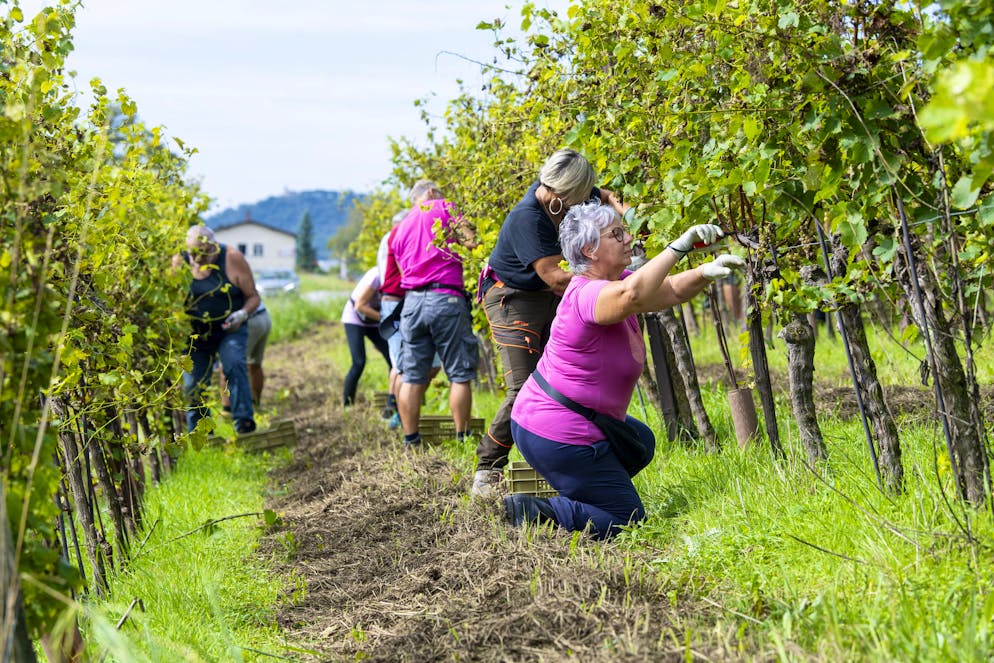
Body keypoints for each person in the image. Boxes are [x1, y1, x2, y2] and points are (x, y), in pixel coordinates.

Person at [505, 201, 745, 539]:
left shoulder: (615, 282)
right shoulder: (588, 295)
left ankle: (587, 490)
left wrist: (704, 272)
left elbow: (670, 289)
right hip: (555, 430)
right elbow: (632, 296)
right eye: (616, 234)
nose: (628, 238)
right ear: (589, 249)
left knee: (639, 442)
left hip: (557, 422)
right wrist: (677, 248)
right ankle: (537, 512)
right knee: (625, 518)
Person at [471, 148, 626, 497]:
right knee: (525, 386)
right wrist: (613, 283)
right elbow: (556, 278)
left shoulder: (572, 192)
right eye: (576, 199)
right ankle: (487, 468)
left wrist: (623, 215)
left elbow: (602, 195)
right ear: (560, 196)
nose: (582, 204)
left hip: (547, 296)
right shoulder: (528, 219)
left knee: (560, 380)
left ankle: (556, 462)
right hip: (512, 297)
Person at [391, 179, 478, 449]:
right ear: (431, 192)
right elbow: (471, 242)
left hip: (412, 302)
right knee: (459, 373)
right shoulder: (444, 206)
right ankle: (463, 437)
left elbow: (402, 269)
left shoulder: (401, 226)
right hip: (446, 298)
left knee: (412, 375)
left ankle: (411, 439)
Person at [175, 225, 260, 434]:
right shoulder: (179, 262)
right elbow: (172, 300)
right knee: (193, 384)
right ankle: (202, 435)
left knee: (234, 363)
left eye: (203, 253)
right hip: (195, 336)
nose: (197, 258)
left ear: (213, 247)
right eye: (193, 253)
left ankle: (244, 423)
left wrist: (242, 314)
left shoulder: (232, 258)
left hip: (230, 330)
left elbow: (253, 297)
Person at [342, 266, 391, 406]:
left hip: (374, 320)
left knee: (393, 361)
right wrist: (386, 320)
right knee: (359, 362)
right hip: (355, 318)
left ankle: (393, 402)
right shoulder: (376, 275)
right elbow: (359, 306)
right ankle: (348, 404)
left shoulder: (398, 275)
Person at [376, 210, 409, 424]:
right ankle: (399, 414)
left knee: (400, 362)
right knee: (401, 364)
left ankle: (395, 407)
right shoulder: (396, 235)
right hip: (396, 300)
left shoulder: (388, 238)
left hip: (395, 300)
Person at [219, 297, 272, 411]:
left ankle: (228, 409)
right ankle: (255, 404)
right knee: (254, 364)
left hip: (248, 322)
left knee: (227, 367)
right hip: (263, 316)